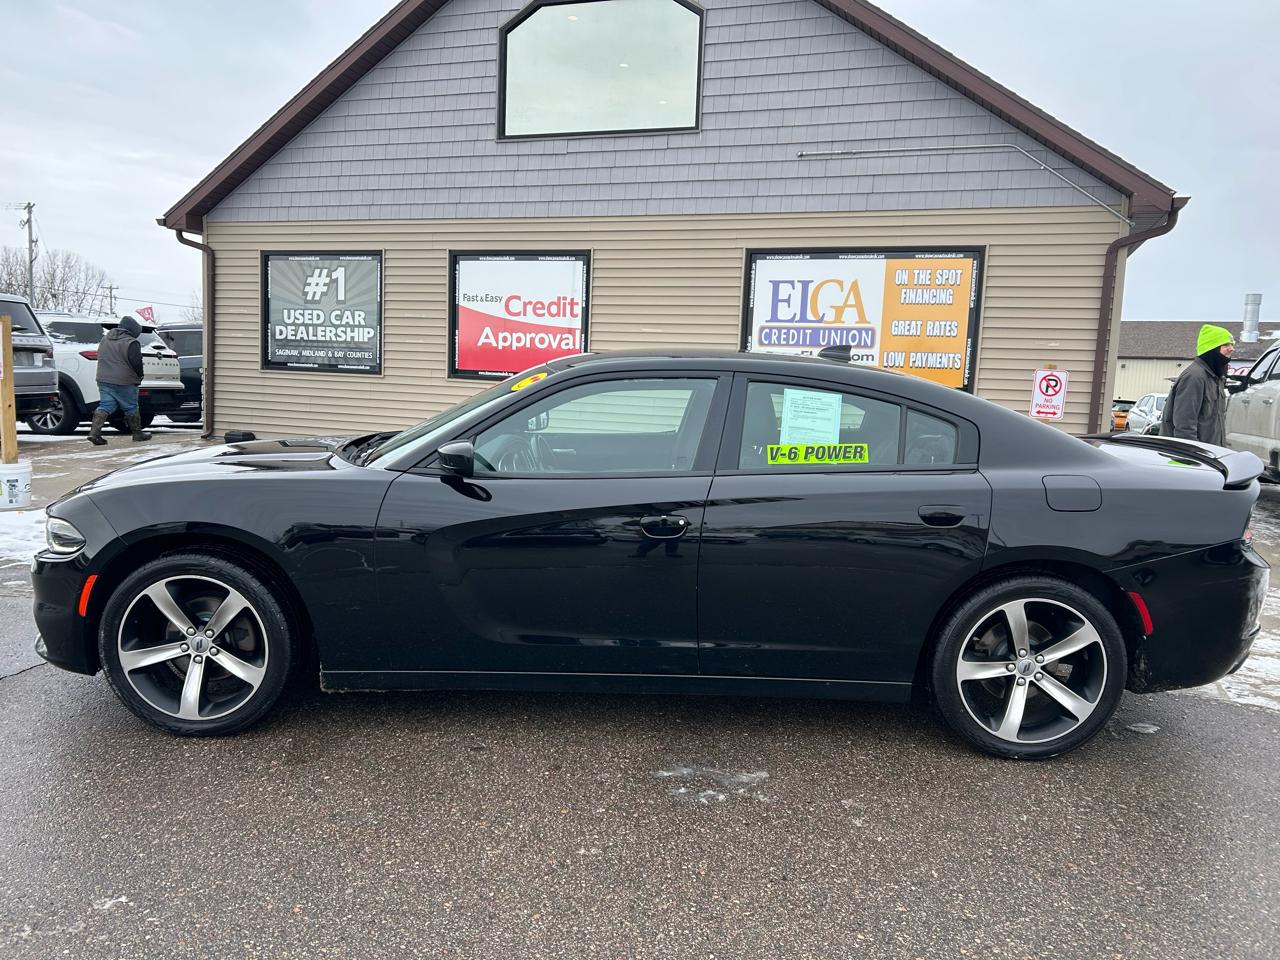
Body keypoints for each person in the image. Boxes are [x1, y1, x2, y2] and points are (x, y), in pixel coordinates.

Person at [1161, 323, 1234, 445]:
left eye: (1232, 345)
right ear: (1211, 348)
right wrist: (1192, 457)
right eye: (1226, 344)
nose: (1232, 349)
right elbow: (1184, 427)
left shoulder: (1215, 379)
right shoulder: (1194, 377)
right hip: (1194, 458)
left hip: (1211, 454)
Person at [87, 315, 150, 445]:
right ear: (132, 330)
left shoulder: (105, 339)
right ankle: (137, 434)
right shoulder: (131, 342)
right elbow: (136, 362)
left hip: (103, 379)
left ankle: (95, 433)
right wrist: (140, 375)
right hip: (124, 380)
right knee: (131, 406)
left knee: (106, 405)